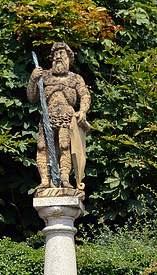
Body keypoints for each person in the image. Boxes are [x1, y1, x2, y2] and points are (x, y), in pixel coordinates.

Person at [27, 42, 91, 191]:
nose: (58, 57)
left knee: (64, 146)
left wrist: (82, 111)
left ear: (69, 58)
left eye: (61, 54)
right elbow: (32, 97)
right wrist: (32, 79)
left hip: (67, 116)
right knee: (42, 147)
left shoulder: (75, 78)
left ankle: (65, 179)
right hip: (48, 115)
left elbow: (85, 96)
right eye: (55, 55)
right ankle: (45, 180)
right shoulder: (45, 76)